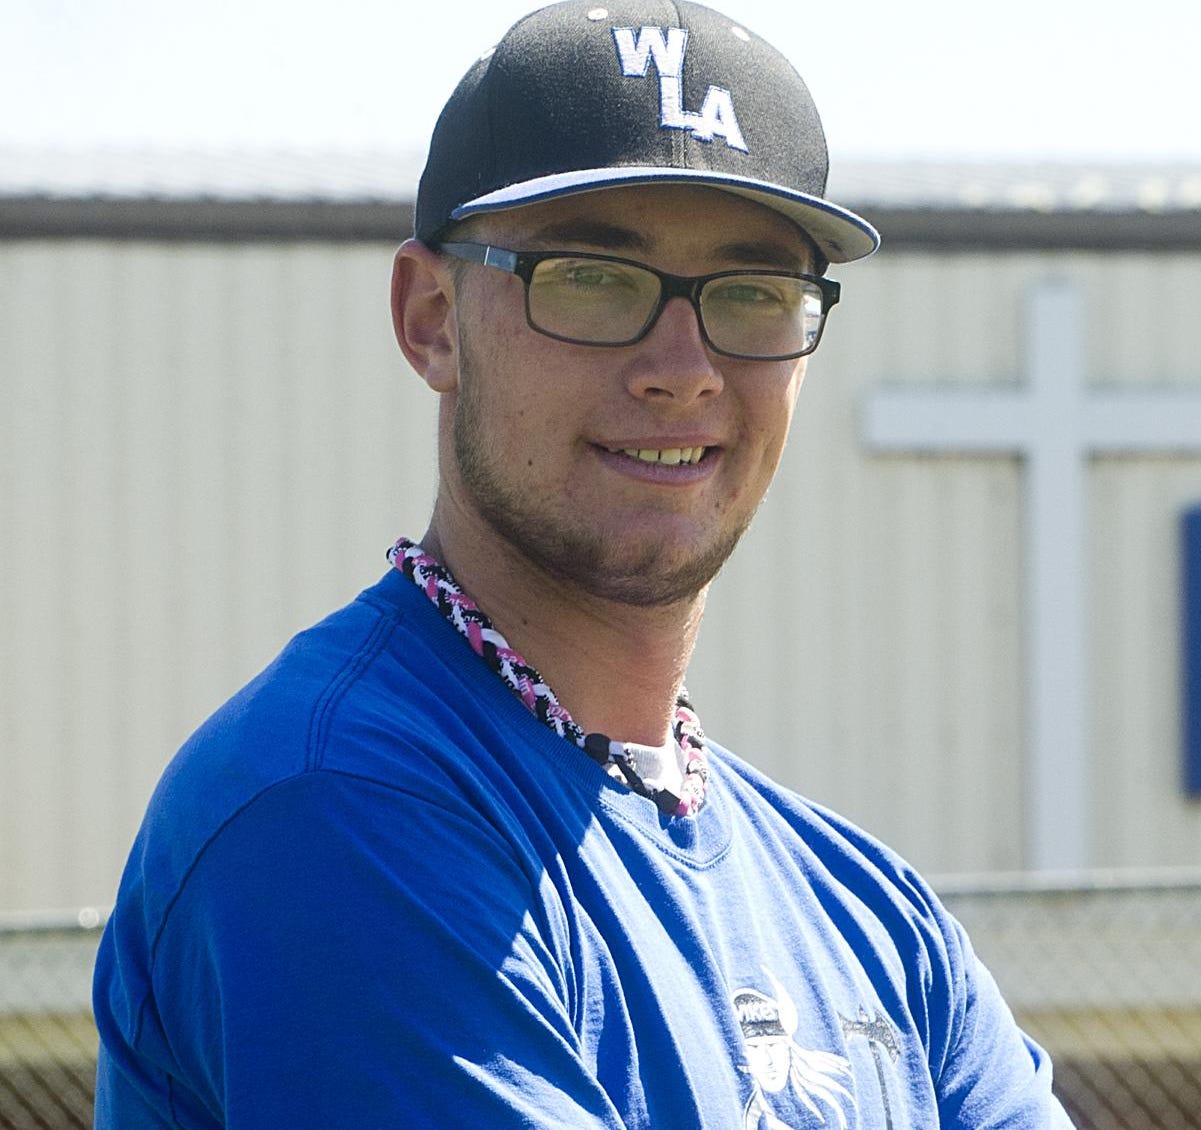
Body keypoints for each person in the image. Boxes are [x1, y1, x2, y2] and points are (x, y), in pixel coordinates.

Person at [91, 2, 1076, 1126]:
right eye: (593, 278)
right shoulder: (334, 803)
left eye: (751, 294)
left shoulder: (875, 921)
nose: (682, 367)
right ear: (432, 319)